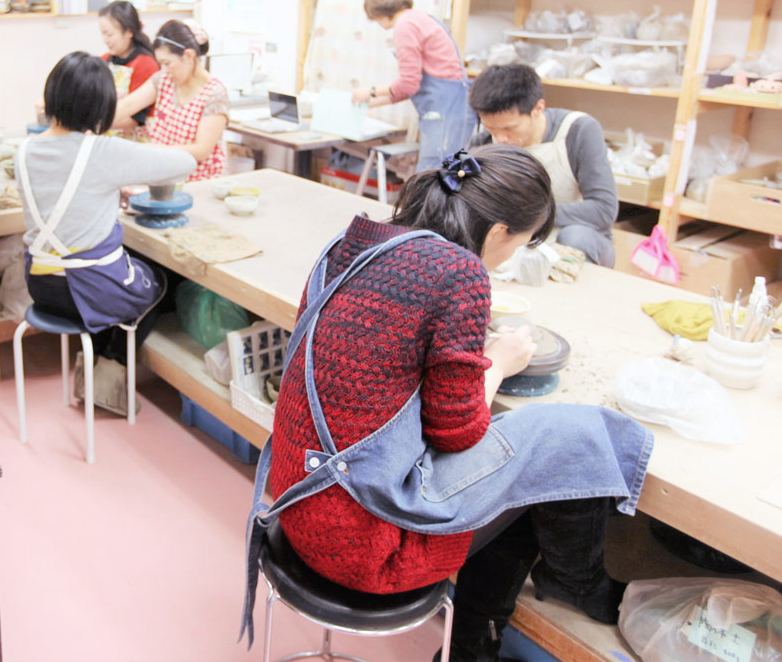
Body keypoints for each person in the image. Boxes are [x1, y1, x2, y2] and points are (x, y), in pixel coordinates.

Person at [240, 145, 653, 662]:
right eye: (521, 243)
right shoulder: (458, 273)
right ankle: (528, 610)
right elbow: (457, 433)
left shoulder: (349, 242)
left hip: (300, 503)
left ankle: (501, 625)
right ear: (500, 230)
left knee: (527, 463)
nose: (509, 257)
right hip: (366, 547)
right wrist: (499, 363)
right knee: (566, 438)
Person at [17, 52, 194, 415]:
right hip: (85, 287)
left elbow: (61, 192)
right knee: (163, 280)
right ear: (100, 106)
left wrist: (109, 188)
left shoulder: (25, 150)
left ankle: (92, 361)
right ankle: (111, 367)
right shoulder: (101, 149)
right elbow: (185, 162)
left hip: (40, 283)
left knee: (114, 272)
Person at [469, 65, 618, 267]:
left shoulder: (577, 131)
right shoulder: (484, 142)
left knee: (576, 237)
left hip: (570, 234)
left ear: (538, 109)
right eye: (491, 128)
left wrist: (528, 217)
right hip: (516, 239)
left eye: (509, 128)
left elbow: (603, 209)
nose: (500, 138)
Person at [350, 0, 476, 171]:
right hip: (454, 108)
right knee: (446, 175)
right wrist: (375, 102)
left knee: (433, 175)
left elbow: (409, 83)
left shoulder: (404, 26)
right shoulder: (420, 19)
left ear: (377, 11)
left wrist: (371, 91)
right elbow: (415, 86)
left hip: (445, 112)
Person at [113, 20, 228, 180]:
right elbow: (128, 105)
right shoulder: (163, 80)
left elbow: (202, 149)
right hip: (165, 176)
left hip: (197, 182)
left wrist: (153, 149)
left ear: (189, 55)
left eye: (167, 63)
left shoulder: (214, 94)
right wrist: (94, 123)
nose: (165, 70)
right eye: (161, 64)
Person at [98, 0, 159, 126]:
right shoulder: (103, 60)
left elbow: (136, 119)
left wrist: (95, 125)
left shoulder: (146, 64)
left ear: (129, 32)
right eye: (103, 35)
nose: (105, 41)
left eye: (109, 34)